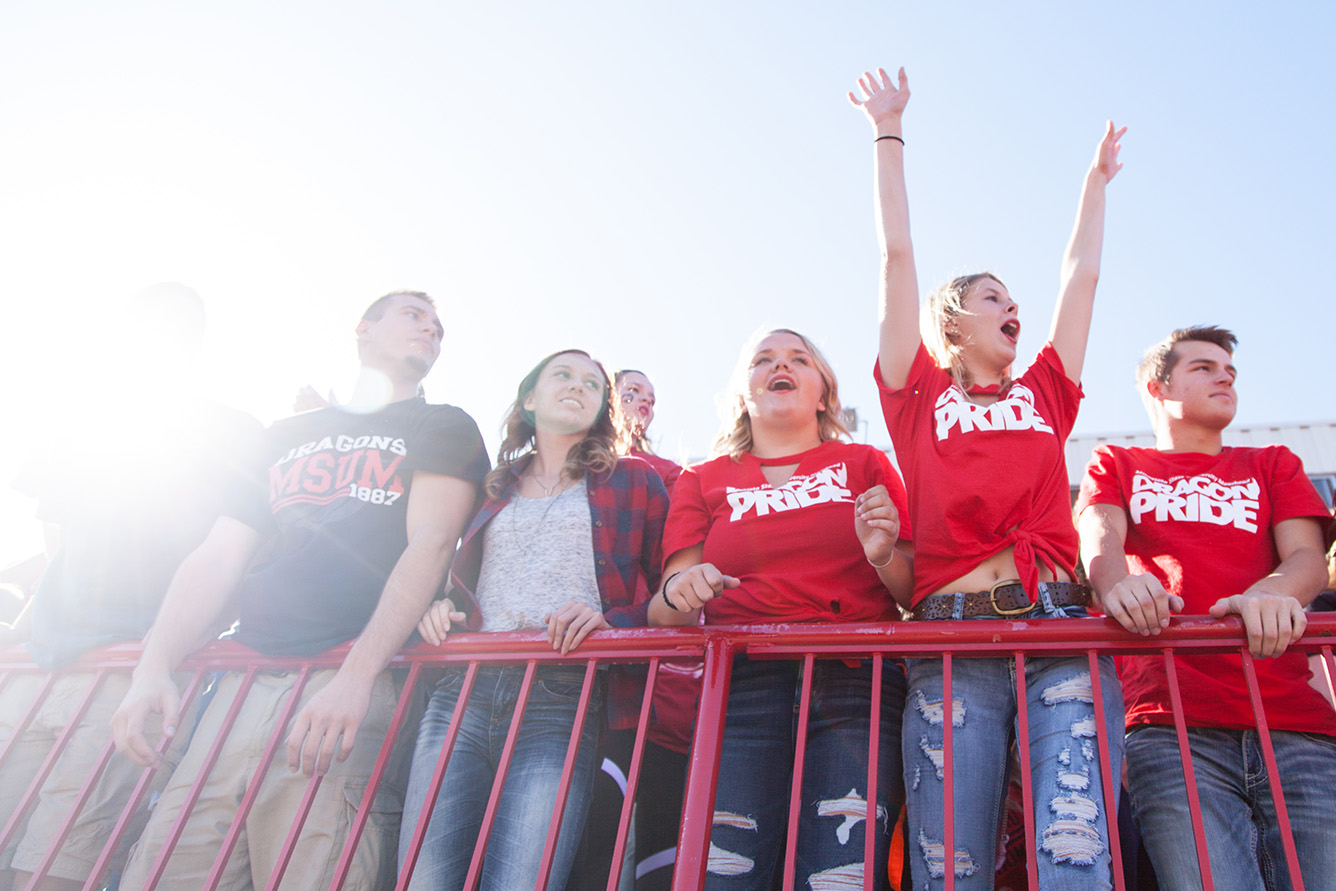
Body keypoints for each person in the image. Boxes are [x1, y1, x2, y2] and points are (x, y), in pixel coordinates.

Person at [110, 290, 489, 889]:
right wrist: (153, 667)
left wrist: (357, 677)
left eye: (439, 326)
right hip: (239, 685)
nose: (432, 330)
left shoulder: (441, 423)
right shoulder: (285, 433)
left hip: (347, 679)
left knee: (313, 871)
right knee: (166, 869)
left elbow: (433, 544)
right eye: (415, 316)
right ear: (363, 330)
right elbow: (219, 554)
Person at [851, 66, 1125, 889]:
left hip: (1059, 630)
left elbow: (1081, 278)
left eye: (1014, 299)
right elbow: (896, 255)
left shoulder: (1045, 390)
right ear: (952, 323)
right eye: (993, 297)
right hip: (952, 642)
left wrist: (1094, 184)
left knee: (1073, 853)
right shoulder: (918, 395)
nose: (1015, 308)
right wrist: (887, 131)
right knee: (952, 867)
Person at [0, 283, 261, 891]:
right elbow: (59, 538)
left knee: (55, 871)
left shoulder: (230, 430)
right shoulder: (88, 425)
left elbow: (227, 555)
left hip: (128, 671)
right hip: (38, 667)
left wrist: (155, 661)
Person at [649, 328, 913, 889]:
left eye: (798, 358)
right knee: (727, 872)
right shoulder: (702, 479)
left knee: (839, 872)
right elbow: (665, 607)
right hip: (739, 686)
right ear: (743, 393)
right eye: (762, 360)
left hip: (857, 683)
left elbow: (914, 594)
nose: (779, 365)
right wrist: (684, 589)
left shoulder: (865, 463)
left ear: (823, 394)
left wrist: (883, 553)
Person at [1075, 325, 1334, 891]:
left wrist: (1271, 593)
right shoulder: (1117, 462)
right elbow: (1099, 537)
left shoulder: (1273, 463)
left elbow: (1308, 560)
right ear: (1157, 386)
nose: (1225, 376)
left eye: (1230, 370)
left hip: (1296, 724)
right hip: (1170, 726)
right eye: (1203, 367)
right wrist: (1117, 585)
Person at [399, 349, 668, 891]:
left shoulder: (636, 481)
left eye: (593, 383)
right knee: (427, 878)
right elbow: (467, 581)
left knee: (522, 878)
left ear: (602, 410)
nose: (577, 386)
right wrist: (441, 605)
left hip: (562, 693)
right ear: (529, 398)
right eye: (562, 375)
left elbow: (674, 594)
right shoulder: (493, 485)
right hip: (463, 691)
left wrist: (611, 621)